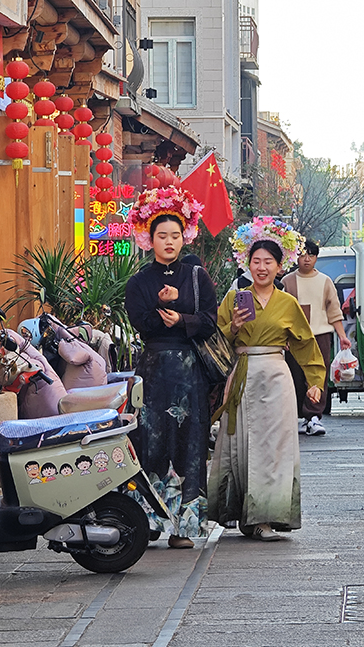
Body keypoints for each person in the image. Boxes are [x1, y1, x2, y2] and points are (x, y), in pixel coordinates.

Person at [209, 218, 325, 542]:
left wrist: (315, 380)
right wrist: (232, 326)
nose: (261, 268)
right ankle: (247, 514)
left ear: (278, 267)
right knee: (244, 446)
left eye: (268, 262)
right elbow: (217, 342)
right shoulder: (234, 300)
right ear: (247, 265)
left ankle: (267, 516)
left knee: (274, 447)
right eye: (256, 261)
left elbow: (305, 344)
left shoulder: (288, 303)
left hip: (276, 377)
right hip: (243, 376)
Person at [124, 187, 217, 549]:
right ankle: (148, 522)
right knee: (150, 442)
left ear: (184, 237)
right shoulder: (139, 282)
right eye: (161, 235)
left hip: (189, 371)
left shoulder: (197, 277)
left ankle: (184, 527)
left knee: (189, 443)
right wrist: (161, 315)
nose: (168, 242)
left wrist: (182, 317)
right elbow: (140, 323)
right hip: (152, 370)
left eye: (175, 236)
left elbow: (210, 321)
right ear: (149, 239)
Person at [282, 240, 352, 436]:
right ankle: (299, 415)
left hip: (320, 335)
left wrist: (342, 336)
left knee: (318, 376)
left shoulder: (325, 281)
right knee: (295, 376)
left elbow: (334, 311)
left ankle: (313, 417)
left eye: (311, 255)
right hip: (294, 337)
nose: (306, 259)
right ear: (296, 256)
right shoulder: (287, 281)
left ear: (316, 258)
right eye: (303, 254)